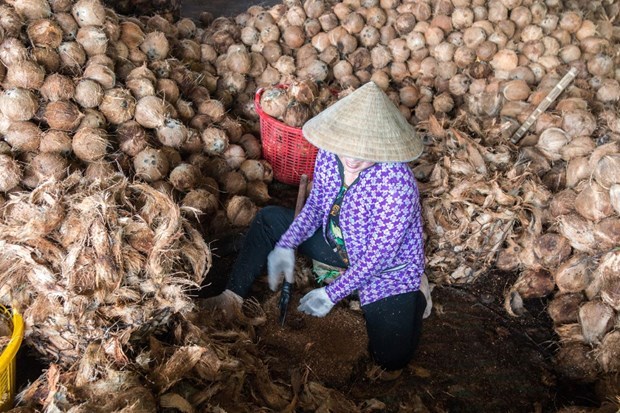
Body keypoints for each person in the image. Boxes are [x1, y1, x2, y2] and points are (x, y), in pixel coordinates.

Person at [205, 81, 432, 379]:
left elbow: (379, 255)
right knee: (269, 219)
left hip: (386, 266)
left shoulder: (397, 183)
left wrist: (331, 294)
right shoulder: (329, 154)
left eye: (363, 151)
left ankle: (418, 291)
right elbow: (315, 207)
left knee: (391, 357)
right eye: (346, 146)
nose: (351, 158)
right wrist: (288, 243)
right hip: (337, 242)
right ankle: (231, 297)